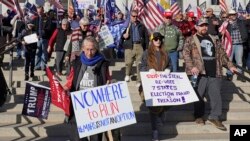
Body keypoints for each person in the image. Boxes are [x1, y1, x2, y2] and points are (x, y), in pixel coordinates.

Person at [182, 17, 237, 131]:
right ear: (196, 27)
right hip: (199, 73)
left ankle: (214, 117)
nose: (204, 27)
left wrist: (230, 65)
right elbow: (186, 54)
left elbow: (222, 54)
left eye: (206, 25)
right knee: (198, 95)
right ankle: (198, 116)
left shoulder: (214, 39)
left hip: (214, 71)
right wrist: (192, 67)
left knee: (216, 95)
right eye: (201, 25)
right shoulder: (191, 39)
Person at [63, 36, 111, 141]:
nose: (90, 53)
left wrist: (109, 84)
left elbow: (108, 79)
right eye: (87, 49)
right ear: (83, 49)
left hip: (96, 105)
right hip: (79, 104)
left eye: (92, 49)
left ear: (96, 49)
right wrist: (65, 89)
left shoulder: (103, 63)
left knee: (96, 137)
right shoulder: (77, 62)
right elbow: (71, 80)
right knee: (78, 136)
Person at [139, 32, 169, 141]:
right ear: (152, 40)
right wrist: (148, 70)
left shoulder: (165, 53)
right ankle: (155, 132)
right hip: (150, 85)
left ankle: (162, 113)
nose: (158, 41)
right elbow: (141, 67)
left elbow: (169, 65)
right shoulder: (146, 53)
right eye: (156, 39)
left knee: (163, 106)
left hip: (162, 85)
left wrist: (168, 70)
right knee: (152, 109)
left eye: (160, 39)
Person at [122, 10, 149, 86]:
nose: (135, 17)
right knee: (128, 62)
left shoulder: (141, 25)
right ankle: (127, 74)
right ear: (130, 16)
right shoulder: (127, 25)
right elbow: (121, 35)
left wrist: (146, 47)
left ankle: (139, 80)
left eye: (136, 16)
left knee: (139, 64)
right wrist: (124, 36)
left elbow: (146, 36)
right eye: (133, 16)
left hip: (139, 45)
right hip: (130, 46)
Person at [225, 9, 248, 82]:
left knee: (239, 61)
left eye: (234, 14)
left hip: (239, 44)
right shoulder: (226, 23)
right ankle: (229, 74)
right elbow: (221, 31)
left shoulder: (241, 21)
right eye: (231, 15)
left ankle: (239, 75)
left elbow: (246, 26)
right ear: (229, 16)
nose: (233, 16)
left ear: (236, 15)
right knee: (229, 60)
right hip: (230, 45)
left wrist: (245, 37)